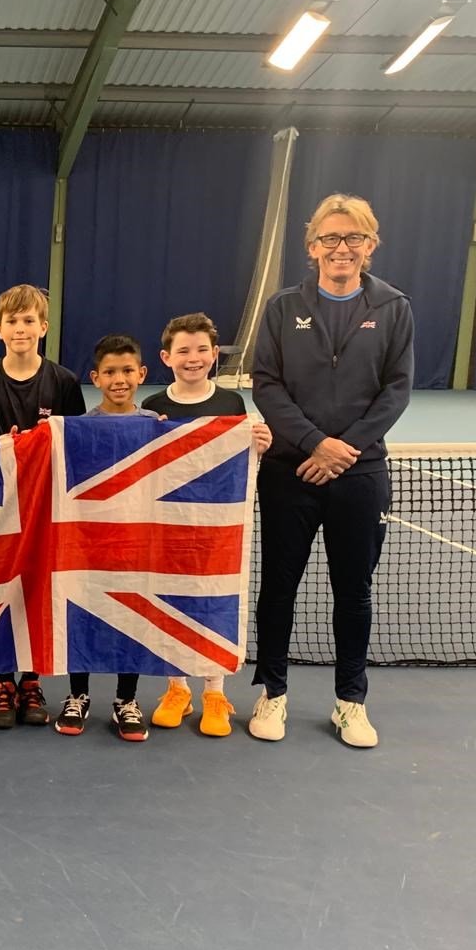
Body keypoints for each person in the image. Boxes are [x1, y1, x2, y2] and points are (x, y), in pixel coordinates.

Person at [248, 194, 413, 749]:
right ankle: (272, 694)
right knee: (278, 588)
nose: (341, 249)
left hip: (360, 475)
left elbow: (397, 389)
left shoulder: (394, 307)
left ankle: (351, 702)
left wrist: (346, 449)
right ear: (312, 246)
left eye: (354, 239)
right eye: (331, 239)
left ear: (370, 246)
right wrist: (316, 444)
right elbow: (266, 383)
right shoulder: (280, 308)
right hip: (289, 472)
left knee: (354, 590)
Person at [139, 313, 272, 738]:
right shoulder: (154, 408)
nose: (193, 359)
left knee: (211, 599)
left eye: (201, 350)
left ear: (214, 355)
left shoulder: (231, 405)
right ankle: (176, 688)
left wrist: (259, 445)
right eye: (183, 351)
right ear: (166, 357)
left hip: (215, 527)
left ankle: (215, 691)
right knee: (171, 600)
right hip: (168, 525)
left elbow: (239, 460)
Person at [0, 284, 87, 729]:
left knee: (37, 586)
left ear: (43, 326)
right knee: (0, 587)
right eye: (12, 321)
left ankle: (31, 679)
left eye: (29, 320)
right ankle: (4, 681)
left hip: (45, 507)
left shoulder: (65, 382)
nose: (21, 328)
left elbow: (73, 444)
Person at [53, 333, 151, 741]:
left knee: (131, 615)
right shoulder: (79, 429)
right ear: (95, 377)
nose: (119, 379)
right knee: (85, 612)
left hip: (135, 542)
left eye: (127, 370)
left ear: (141, 374)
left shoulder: (154, 427)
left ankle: (126, 700)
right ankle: (78, 695)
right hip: (89, 542)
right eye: (109, 372)